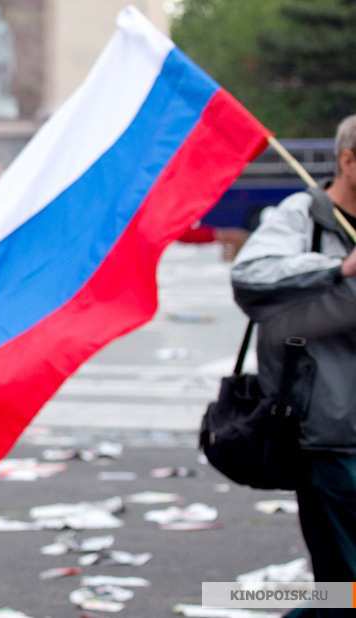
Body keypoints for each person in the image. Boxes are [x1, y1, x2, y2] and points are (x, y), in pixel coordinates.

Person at [232, 114, 356, 595]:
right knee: (342, 584)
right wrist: (337, 268)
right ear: (348, 161)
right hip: (330, 433)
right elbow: (250, 275)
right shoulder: (303, 215)